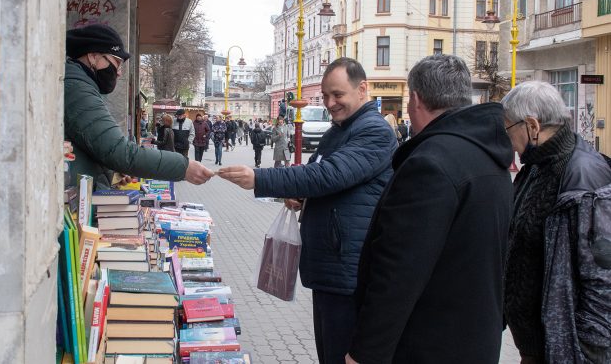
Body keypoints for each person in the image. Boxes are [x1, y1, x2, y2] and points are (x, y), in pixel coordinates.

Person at [219, 58, 397, 364]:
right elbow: (326, 179)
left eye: (337, 95)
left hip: (349, 270)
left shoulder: (374, 131)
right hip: (331, 265)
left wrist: (259, 178)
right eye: (326, 95)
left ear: (362, 89)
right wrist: (302, 196)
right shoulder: (341, 129)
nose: (330, 103)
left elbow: (330, 175)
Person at [346, 54, 513, 364]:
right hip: (475, 339)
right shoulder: (491, 157)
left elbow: (399, 271)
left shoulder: (429, 163)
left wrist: (365, 352)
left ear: (416, 100)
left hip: (428, 343)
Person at [500, 81, 611, 363]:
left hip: (562, 349)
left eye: (509, 129)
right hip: (534, 344)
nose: (507, 139)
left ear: (532, 126)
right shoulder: (536, 166)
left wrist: (588, 349)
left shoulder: (584, 174)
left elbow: (602, 278)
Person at [63, 24, 213, 188]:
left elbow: (92, 149)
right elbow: (119, 152)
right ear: (92, 56)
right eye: (116, 62)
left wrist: (112, 174)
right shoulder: (77, 90)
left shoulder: (81, 87)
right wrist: (184, 167)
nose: (119, 72)